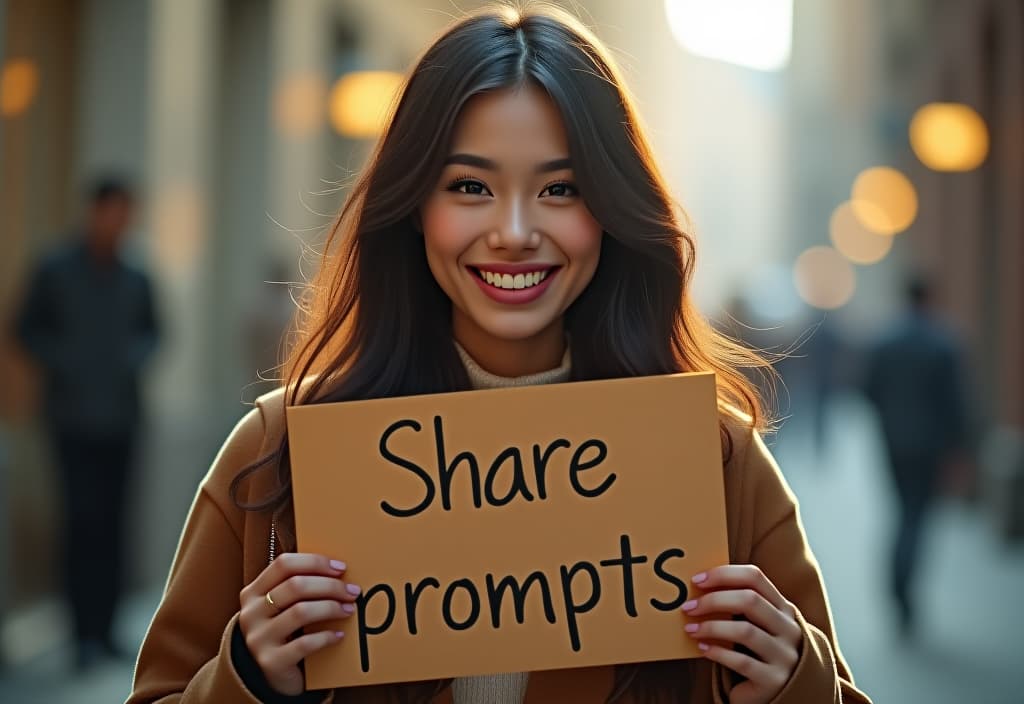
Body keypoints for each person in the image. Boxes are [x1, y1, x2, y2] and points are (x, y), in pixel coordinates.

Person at [127, 5, 870, 703]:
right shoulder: (280, 451)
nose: (514, 230)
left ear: (611, 211)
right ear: (416, 207)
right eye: (471, 186)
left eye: (561, 189)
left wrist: (793, 682)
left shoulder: (716, 460)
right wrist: (249, 678)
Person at [16, 177, 160, 669]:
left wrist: (130, 359)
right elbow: (24, 328)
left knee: (115, 524)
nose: (118, 222)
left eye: (126, 213)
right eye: (112, 211)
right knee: (80, 523)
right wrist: (66, 362)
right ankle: (80, 634)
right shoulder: (56, 271)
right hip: (71, 420)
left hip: (121, 419)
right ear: (94, 211)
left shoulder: (135, 276)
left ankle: (107, 628)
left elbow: (155, 332)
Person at [863, 276, 967, 638]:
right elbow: (956, 404)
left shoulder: (884, 340)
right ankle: (904, 591)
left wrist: (890, 418)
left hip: (893, 441)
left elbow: (867, 389)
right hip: (929, 447)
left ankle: (897, 587)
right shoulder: (943, 342)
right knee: (916, 518)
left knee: (901, 513)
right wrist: (959, 449)